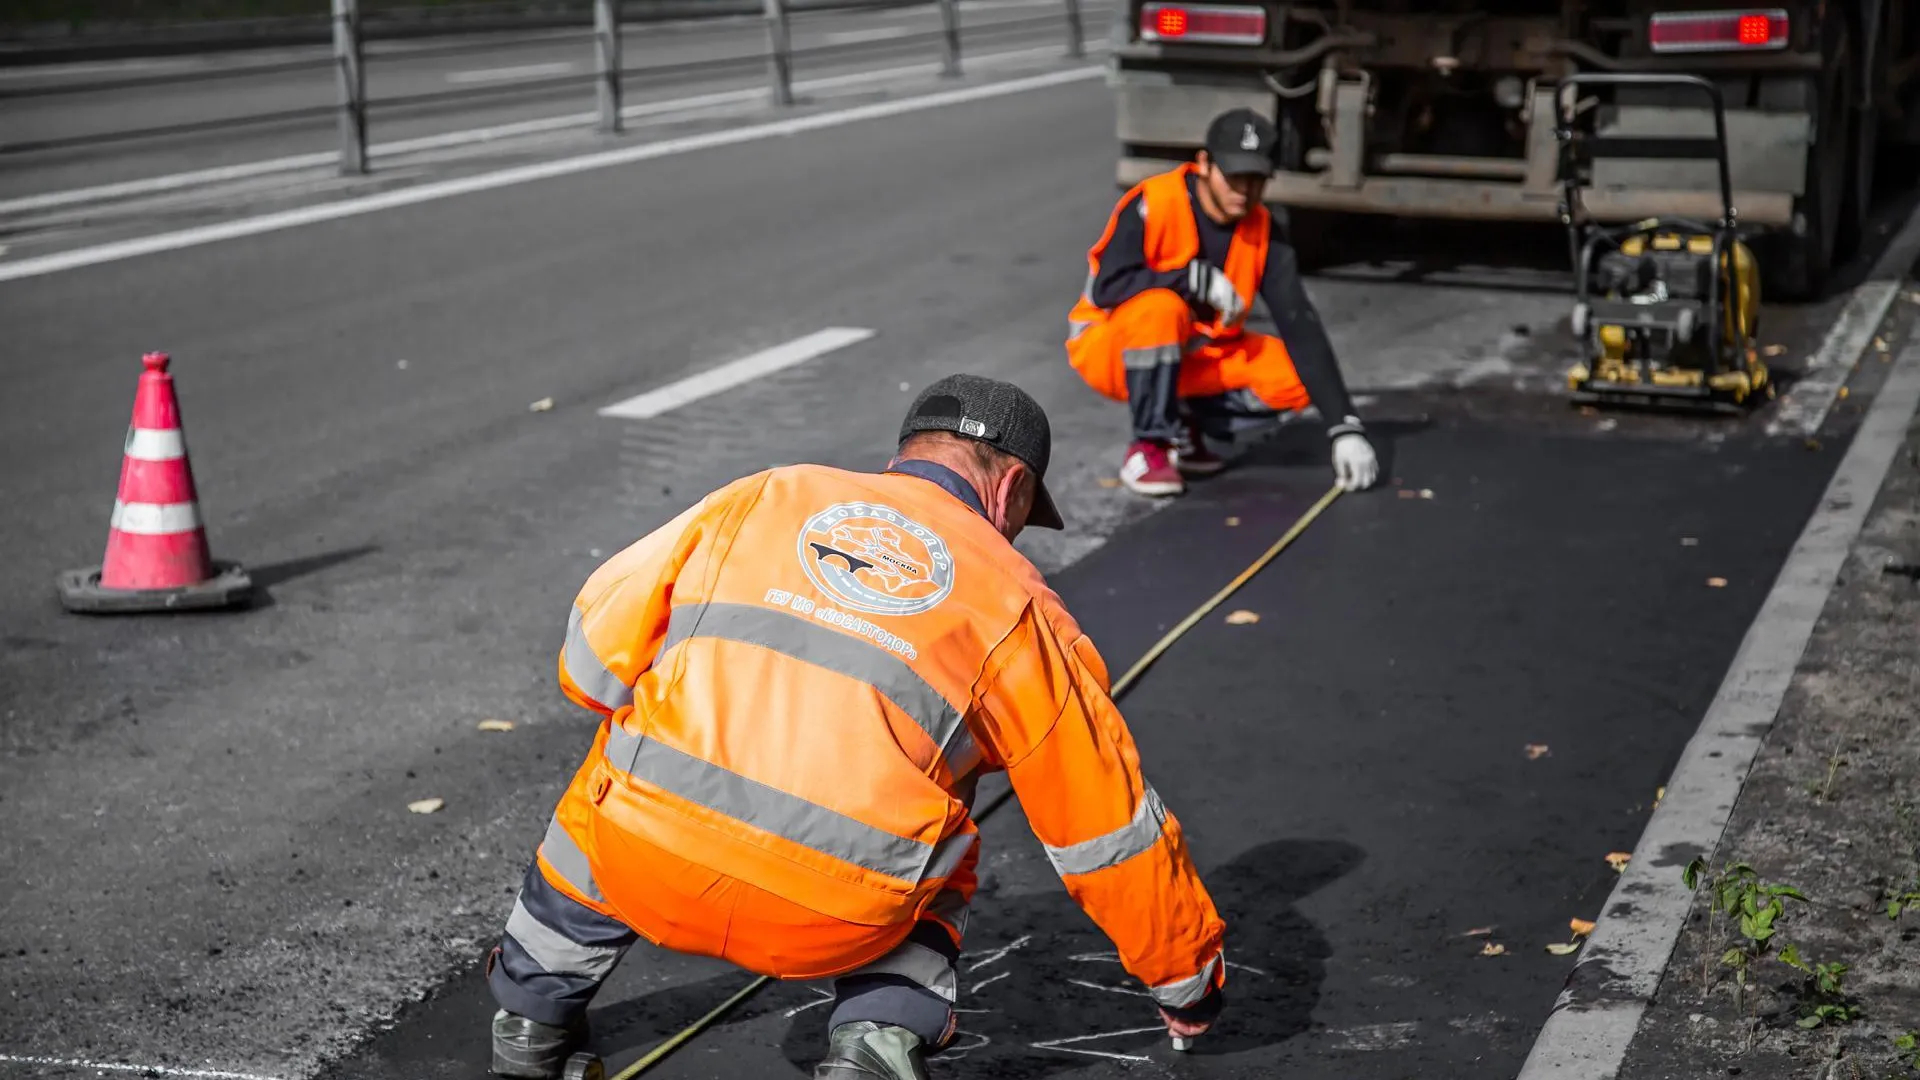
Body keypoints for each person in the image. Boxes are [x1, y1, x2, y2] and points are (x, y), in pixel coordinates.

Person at [485, 373, 1228, 1080]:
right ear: (1012, 489)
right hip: (837, 915)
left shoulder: (766, 495)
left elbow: (589, 667)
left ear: (902, 458)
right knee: (946, 852)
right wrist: (1186, 980)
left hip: (643, 869)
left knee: (615, 769)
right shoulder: (1019, 605)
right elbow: (1103, 829)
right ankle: (873, 1045)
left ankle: (530, 1022)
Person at [1065, 107, 1380, 497]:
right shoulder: (1154, 203)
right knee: (1161, 309)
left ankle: (1186, 424)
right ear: (1204, 165)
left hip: (1194, 357)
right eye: (1234, 176)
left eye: (1256, 179)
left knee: (1297, 378)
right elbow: (1107, 288)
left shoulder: (1263, 230)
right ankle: (1149, 446)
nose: (1244, 191)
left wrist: (1344, 426)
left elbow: (1300, 323)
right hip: (1110, 350)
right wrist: (1190, 279)